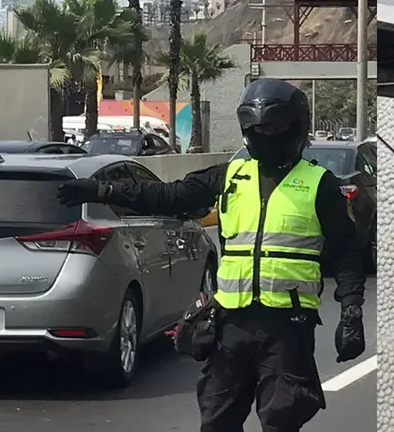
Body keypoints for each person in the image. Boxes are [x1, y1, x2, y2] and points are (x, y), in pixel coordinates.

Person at [56, 78, 367, 432]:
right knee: (217, 419)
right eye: (257, 127)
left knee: (283, 418)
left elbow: (348, 252)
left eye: (274, 126)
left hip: (288, 326)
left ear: (295, 126)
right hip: (231, 324)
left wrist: (352, 311)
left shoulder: (319, 184)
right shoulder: (230, 176)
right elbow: (167, 195)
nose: (266, 134)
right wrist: (102, 189)